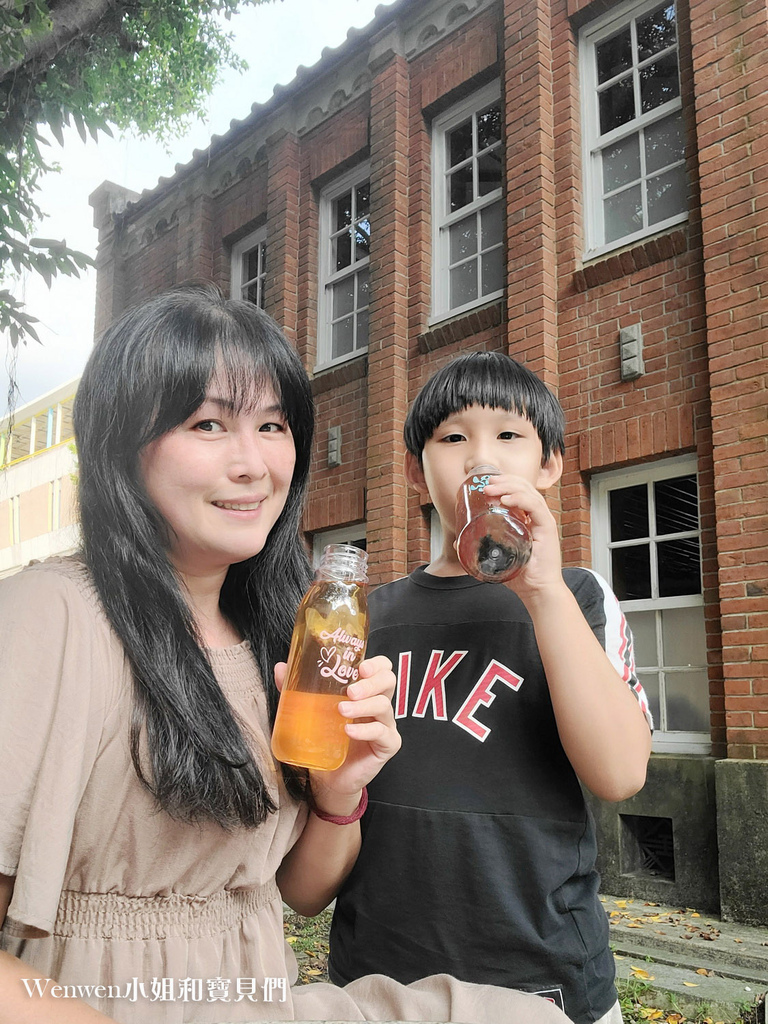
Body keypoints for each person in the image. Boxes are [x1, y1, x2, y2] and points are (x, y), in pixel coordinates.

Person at [0, 290, 572, 1024]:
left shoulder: (283, 630)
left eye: (272, 425)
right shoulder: (52, 616)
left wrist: (338, 795)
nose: (253, 464)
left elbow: (298, 893)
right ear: (119, 441)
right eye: (209, 423)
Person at [328, 350, 654, 1024]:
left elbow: (621, 773)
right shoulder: (370, 617)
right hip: (377, 977)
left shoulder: (578, 598)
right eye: (453, 438)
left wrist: (542, 592)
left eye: (509, 436)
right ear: (419, 473)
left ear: (550, 465)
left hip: (542, 981)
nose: (481, 459)